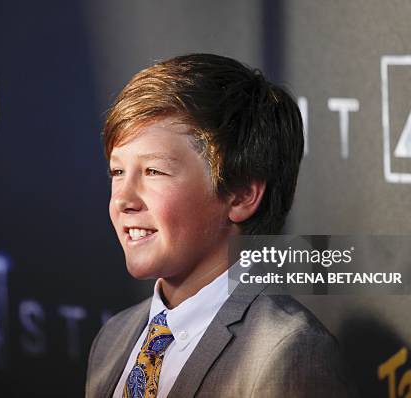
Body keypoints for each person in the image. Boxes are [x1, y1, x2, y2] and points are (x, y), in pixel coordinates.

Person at [86, 53, 354, 397]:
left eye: (154, 171)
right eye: (117, 172)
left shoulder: (287, 353)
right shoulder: (113, 338)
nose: (124, 199)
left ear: (240, 195)